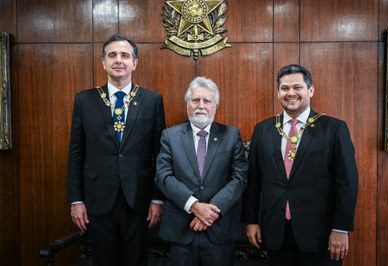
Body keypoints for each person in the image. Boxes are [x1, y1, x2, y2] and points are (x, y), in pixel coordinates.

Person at [242, 64, 358, 266]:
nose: (291, 93)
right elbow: (254, 180)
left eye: (297, 87)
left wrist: (341, 228)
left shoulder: (334, 128)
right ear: (278, 93)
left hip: (320, 233)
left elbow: (346, 182)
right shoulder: (263, 129)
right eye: (285, 88)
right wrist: (251, 220)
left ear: (310, 90)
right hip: (276, 231)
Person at [67, 33, 166, 266]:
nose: (118, 60)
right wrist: (76, 200)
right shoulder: (84, 100)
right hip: (98, 199)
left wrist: (157, 199)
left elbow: (160, 154)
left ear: (135, 63)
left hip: (138, 199)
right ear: (104, 63)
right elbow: (76, 153)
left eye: (125, 55)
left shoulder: (152, 101)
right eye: (112, 55)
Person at [155, 77, 248, 266]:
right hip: (182, 229)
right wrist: (194, 205)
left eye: (207, 101)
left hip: (220, 229)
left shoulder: (231, 135)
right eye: (195, 100)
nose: (201, 106)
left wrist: (210, 211)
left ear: (215, 106)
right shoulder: (170, 136)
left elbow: (240, 177)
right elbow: (163, 176)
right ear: (187, 103)